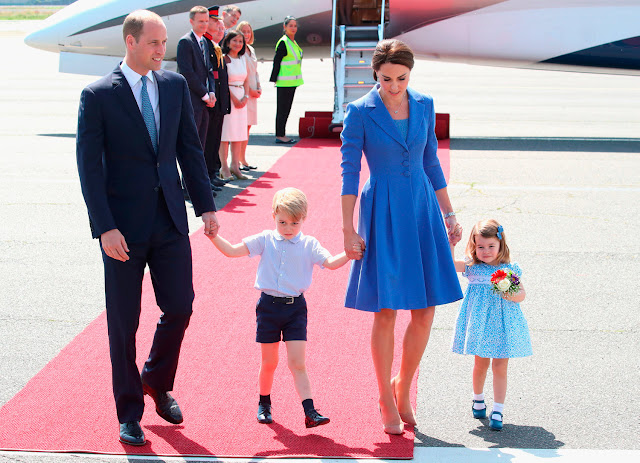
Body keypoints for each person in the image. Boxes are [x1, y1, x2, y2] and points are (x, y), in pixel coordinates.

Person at [76, 10, 219, 446]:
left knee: (181, 307)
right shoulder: (98, 95)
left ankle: (155, 379)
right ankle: (129, 411)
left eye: (164, 42)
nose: (162, 50)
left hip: (170, 219)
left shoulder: (173, 86)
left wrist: (206, 207)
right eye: (155, 42)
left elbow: (190, 150)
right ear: (131, 42)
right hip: (121, 230)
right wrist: (104, 227)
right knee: (124, 323)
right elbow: (89, 170)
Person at [340, 39, 463, 435]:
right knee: (387, 309)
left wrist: (449, 212)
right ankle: (383, 395)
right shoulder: (359, 112)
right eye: (386, 79)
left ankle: (402, 386)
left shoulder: (424, 104)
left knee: (426, 309)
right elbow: (349, 173)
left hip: (423, 208)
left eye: (402, 78)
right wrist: (348, 228)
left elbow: (431, 161)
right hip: (383, 211)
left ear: (411, 74)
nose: (394, 86)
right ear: (375, 74)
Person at [208, 187, 356, 427]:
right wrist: (214, 236)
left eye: (295, 223)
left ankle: (310, 412)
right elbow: (232, 251)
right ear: (274, 216)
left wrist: (349, 253)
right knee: (269, 362)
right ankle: (264, 403)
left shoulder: (309, 244)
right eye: (282, 222)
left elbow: (329, 263)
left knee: (297, 363)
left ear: (304, 218)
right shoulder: (265, 239)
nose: (288, 228)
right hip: (268, 307)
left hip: (295, 309)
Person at [450, 219, 531, 431]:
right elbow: (449, 264)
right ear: (474, 246)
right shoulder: (472, 267)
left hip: (503, 325)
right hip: (481, 325)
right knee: (481, 364)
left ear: (501, 244)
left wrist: (510, 294)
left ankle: (498, 409)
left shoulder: (509, 269)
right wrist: (452, 243)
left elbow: (522, 294)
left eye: (491, 246)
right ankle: (478, 399)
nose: (486, 251)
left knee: (500, 366)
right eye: (480, 246)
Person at [177, 6, 218, 197]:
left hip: (204, 103)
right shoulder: (185, 42)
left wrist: (212, 92)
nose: (204, 24)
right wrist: (204, 94)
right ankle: (188, 187)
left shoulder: (204, 42)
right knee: (191, 147)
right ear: (191, 21)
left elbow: (209, 71)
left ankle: (197, 186)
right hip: (192, 102)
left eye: (206, 21)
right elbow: (187, 72)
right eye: (200, 21)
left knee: (200, 147)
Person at [203, 7, 231, 187]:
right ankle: (207, 175)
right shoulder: (206, 45)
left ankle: (212, 173)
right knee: (208, 141)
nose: (221, 31)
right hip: (210, 102)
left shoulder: (216, 47)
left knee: (214, 140)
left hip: (219, 101)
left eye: (222, 29)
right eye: (217, 27)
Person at [219, 30, 250, 181]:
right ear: (228, 42)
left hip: (242, 96)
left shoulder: (243, 58)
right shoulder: (224, 58)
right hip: (228, 97)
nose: (238, 44)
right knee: (225, 134)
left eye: (240, 41)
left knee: (238, 134)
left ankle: (235, 166)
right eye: (235, 40)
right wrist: (235, 99)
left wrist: (246, 96)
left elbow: (247, 79)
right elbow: (223, 81)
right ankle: (224, 167)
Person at [270, 16, 303, 144]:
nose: (293, 28)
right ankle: (280, 135)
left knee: (286, 110)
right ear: (285, 27)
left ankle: (282, 133)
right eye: (290, 26)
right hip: (284, 82)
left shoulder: (293, 42)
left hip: (292, 82)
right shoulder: (284, 42)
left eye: (295, 26)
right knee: (282, 110)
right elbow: (277, 61)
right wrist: (274, 78)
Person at [237, 20, 261, 171]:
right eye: (243, 31)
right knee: (241, 127)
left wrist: (258, 86)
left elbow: (255, 71)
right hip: (244, 91)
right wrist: (249, 91)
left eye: (248, 31)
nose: (246, 34)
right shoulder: (239, 50)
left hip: (253, 91)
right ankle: (238, 161)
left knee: (248, 127)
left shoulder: (251, 49)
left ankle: (243, 158)